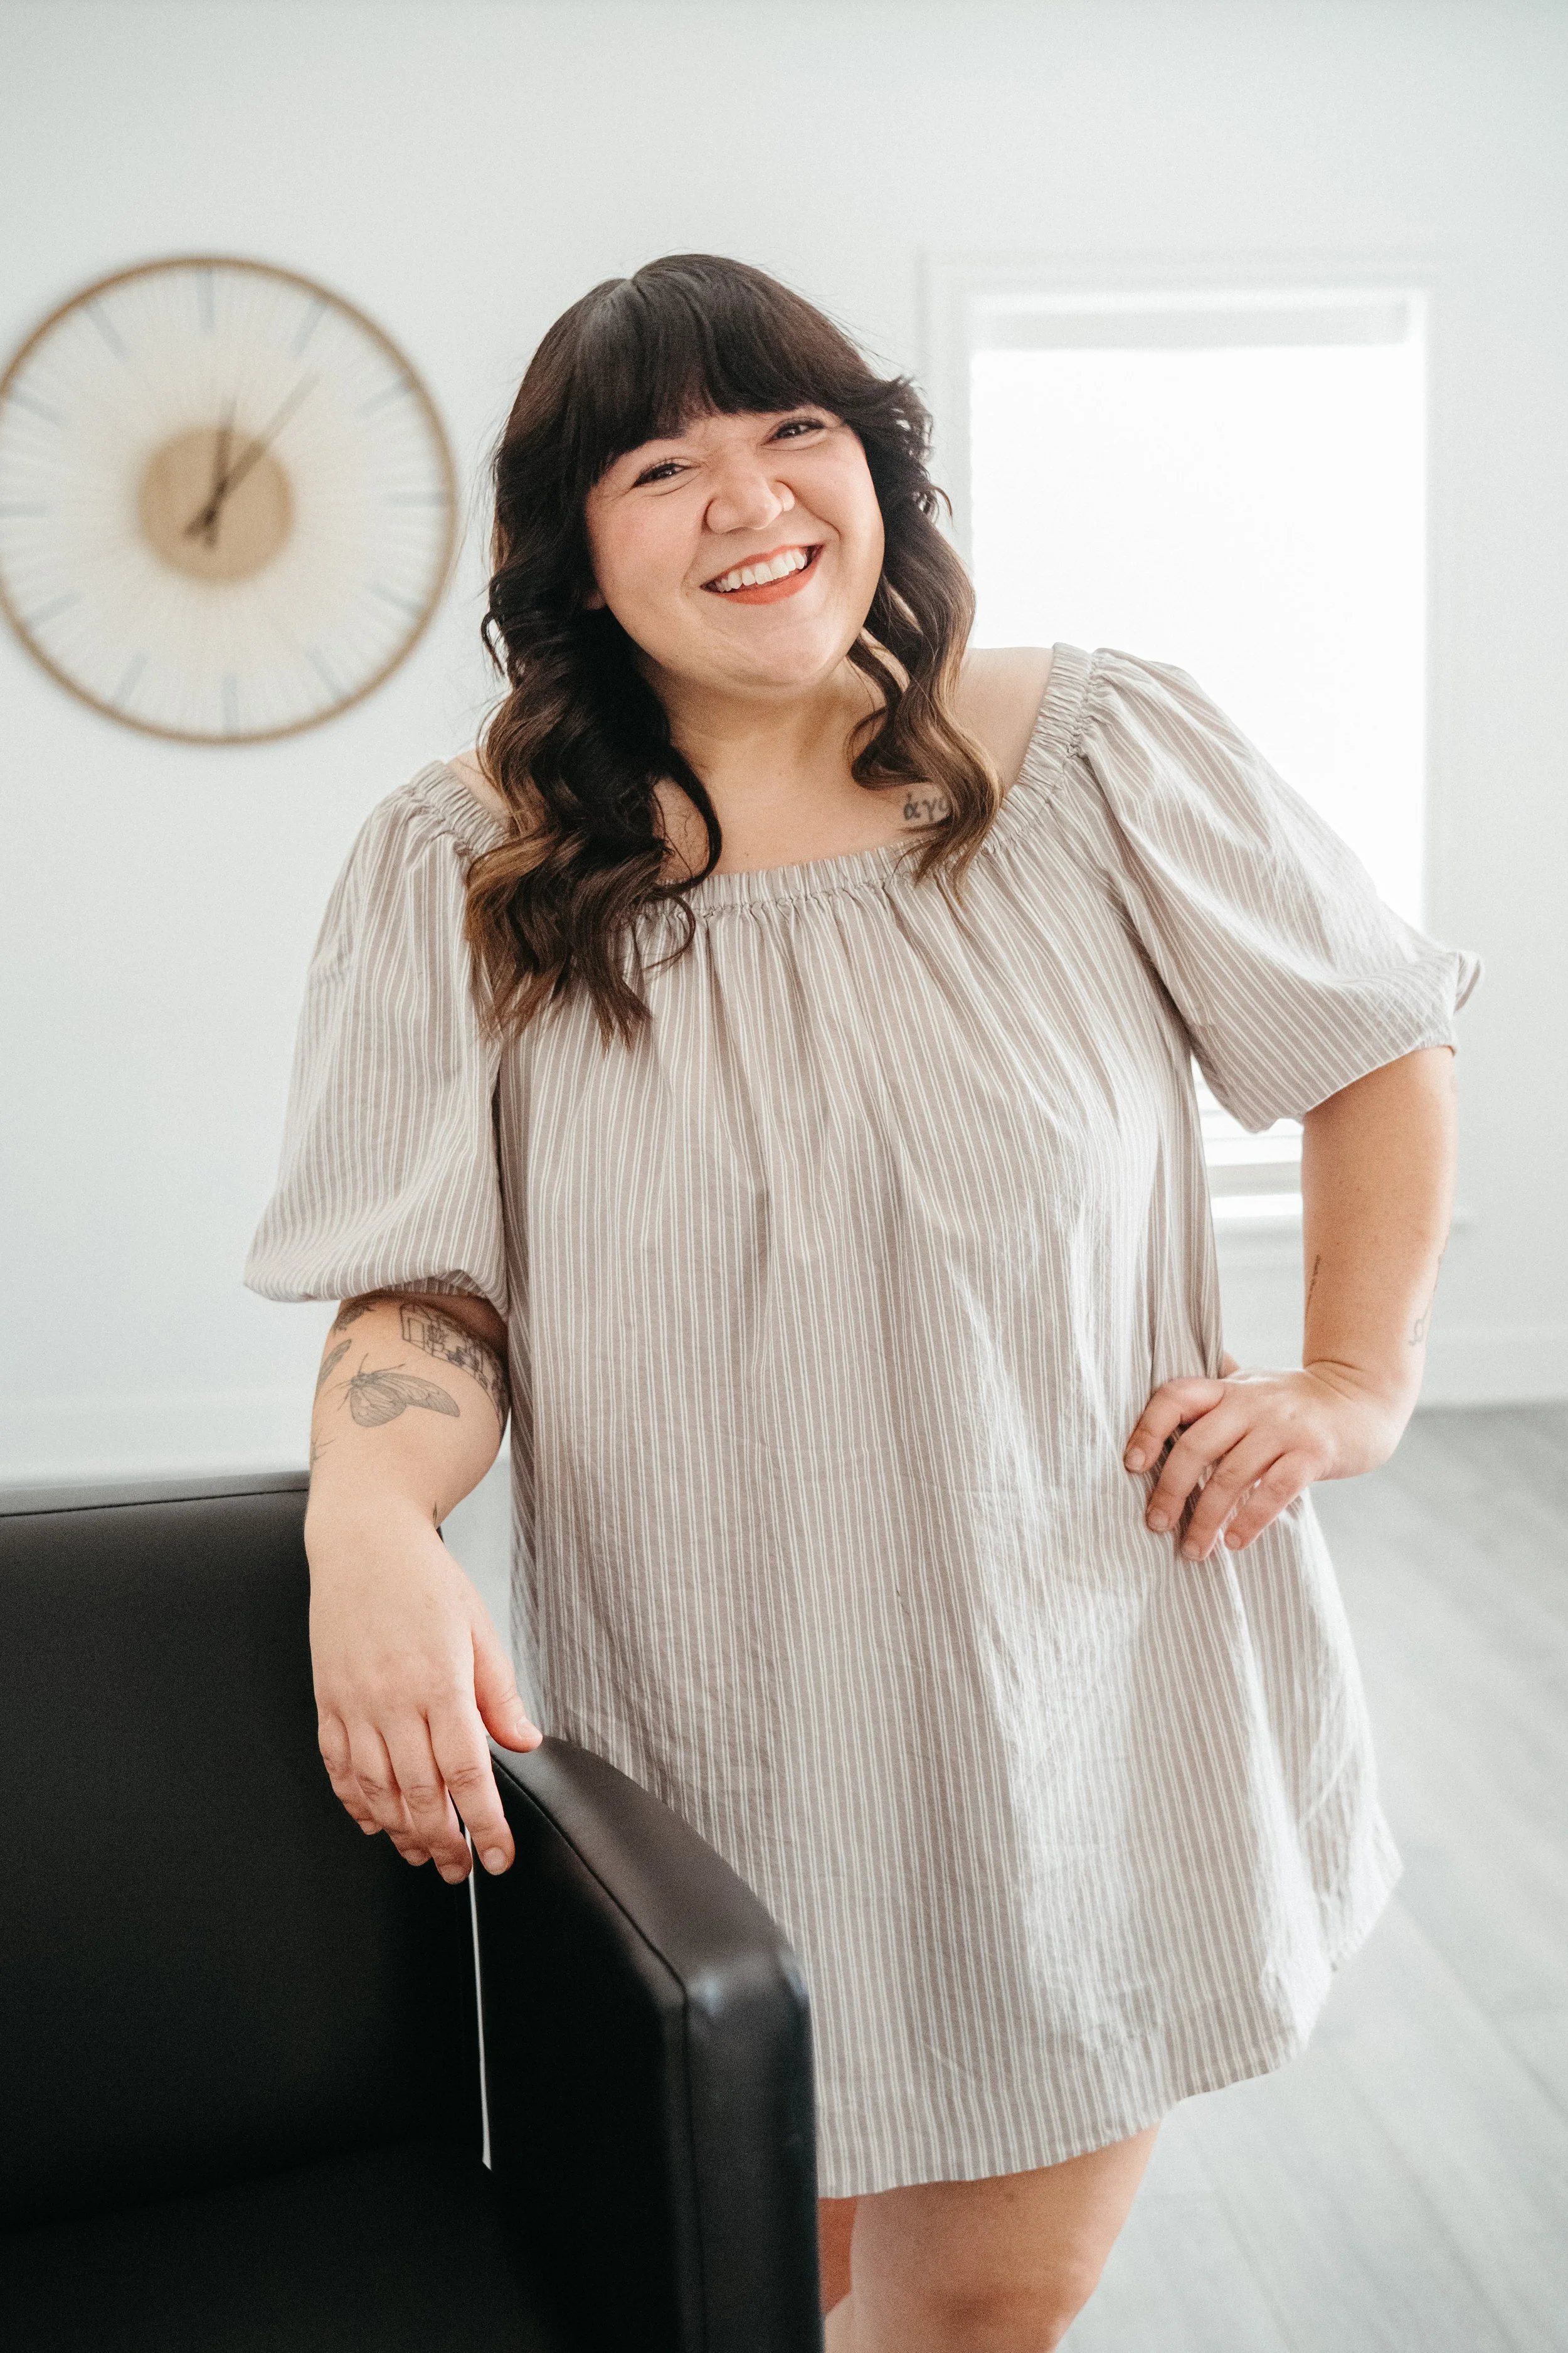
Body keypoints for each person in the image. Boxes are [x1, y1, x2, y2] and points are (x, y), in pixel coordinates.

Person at [246, 253, 1478, 2351]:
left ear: (875, 469)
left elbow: (1371, 1042)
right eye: (662, 464)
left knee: (990, 2313)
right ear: (571, 555)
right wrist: (363, 1516)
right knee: (727, 2300)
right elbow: (426, 1284)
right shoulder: (460, 861)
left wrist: (1355, 1379)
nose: (751, 503)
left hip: (1077, 1700)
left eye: (794, 432)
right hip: (707, 1721)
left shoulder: (1093, 751)